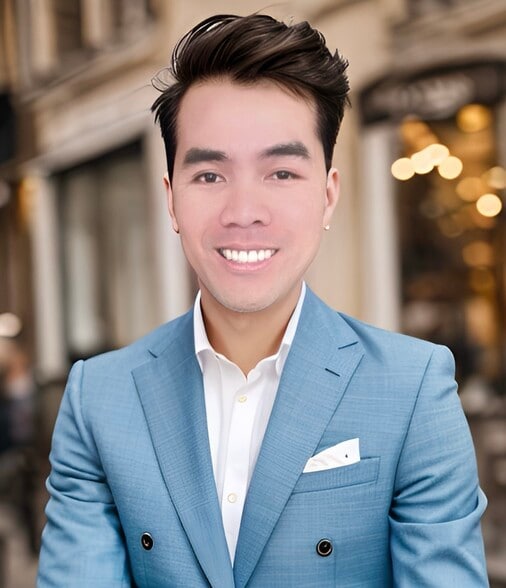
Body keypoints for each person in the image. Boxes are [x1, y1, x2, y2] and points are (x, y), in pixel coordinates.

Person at [37, 13, 488, 587]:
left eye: (281, 173)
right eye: (209, 176)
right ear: (171, 200)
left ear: (327, 196)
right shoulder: (99, 400)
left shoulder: (412, 389)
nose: (244, 212)